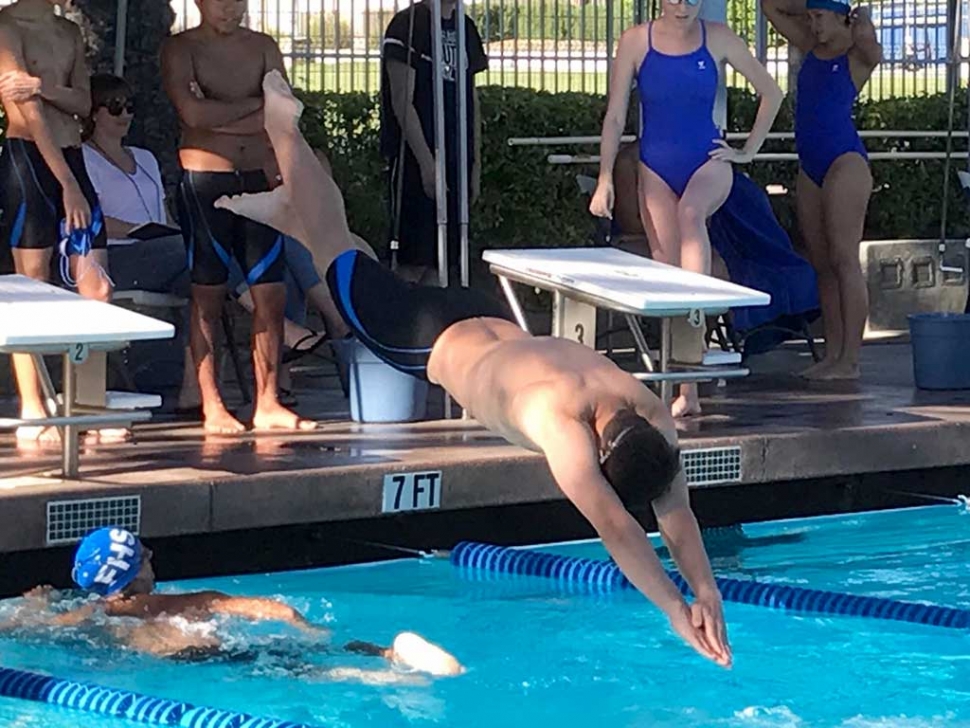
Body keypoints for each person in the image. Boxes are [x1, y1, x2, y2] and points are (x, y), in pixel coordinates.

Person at [217, 71, 732, 668]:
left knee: (347, 253)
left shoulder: (641, 402)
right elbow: (619, 529)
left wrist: (707, 589)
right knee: (334, 245)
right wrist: (675, 608)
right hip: (416, 341)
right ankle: (286, 134)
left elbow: (674, 507)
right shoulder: (559, 426)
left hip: (475, 310)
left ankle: (289, 209)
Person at [589, 0, 783, 417]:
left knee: (691, 215)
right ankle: (685, 389)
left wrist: (747, 151)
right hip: (655, 167)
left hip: (709, 161)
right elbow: (616, 115)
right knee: (667, 272)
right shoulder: (636, 42)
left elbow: (771, 91)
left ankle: (700, 320)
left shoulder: (718, 38)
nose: (684, 6)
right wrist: (605, 179)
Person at [3, 527, 463, 678]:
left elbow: (19, 627)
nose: (152, 555)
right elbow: (272, 610)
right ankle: (384, 656)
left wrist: (35, 604)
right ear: (132, 572)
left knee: (286, 670)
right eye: (143, 554)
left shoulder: (83, 616)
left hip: (176, 661)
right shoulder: (187, 603)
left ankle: (374, 674)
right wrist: (305, 626)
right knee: (296, 659)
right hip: (201, 647)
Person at [161, 0, 321, 434]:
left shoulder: (263, 46)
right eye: (221, 1)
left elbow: (285, 111)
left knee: (271, 293)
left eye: (239, 1)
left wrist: (223, 118)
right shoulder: (182, 48)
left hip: (258, 181)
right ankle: (211, 402)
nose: (231, 9)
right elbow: (191, 115)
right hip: (206, 181)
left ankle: (267, 400)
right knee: (208, 293)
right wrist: (256, 112)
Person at [0, 0, 111, 446]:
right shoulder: (5, 25)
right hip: (29, 159)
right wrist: (67, 183)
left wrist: (42, 86)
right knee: (32, 283)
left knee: (97, 286)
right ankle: (33, 403)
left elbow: (83, 102)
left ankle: (86, 404)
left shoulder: (67, 32)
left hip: (72, 159)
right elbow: (23, 107)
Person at [762, 0, 881, 380]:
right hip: (810, 165)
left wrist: (862, 23)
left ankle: (851, 358)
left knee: (845, 259)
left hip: (845, 161)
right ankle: (832, 354)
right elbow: (770, 6)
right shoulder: (809, 45)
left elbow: (873, 50)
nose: (811, 24)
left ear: (839, 16)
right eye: (810, 17)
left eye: (818, 17)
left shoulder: (855, 54)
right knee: (822, 265)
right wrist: (810, 2)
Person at [81, 73, 202, 417]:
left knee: (207, 268)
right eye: (114, 106)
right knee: (200, 256)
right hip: (117, 255)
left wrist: (169, 232)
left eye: (130, 106)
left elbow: (164, 214)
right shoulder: (84, 159)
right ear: (93, 112)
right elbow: (92, 223)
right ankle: (273, 324)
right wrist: (138, 229)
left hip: (164, 252)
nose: (125, 114)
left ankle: (191, 385)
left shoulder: (145, 158)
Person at [380, 0, 488, 284]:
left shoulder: (465, 27)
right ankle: (399, 323)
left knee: (442, 263)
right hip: (417, 160)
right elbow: (402, 101)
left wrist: (474, 163)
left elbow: (471, 100)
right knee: (413, 259)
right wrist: (428, 165)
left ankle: (432, 325)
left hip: (457, 155)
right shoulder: (408, 25)